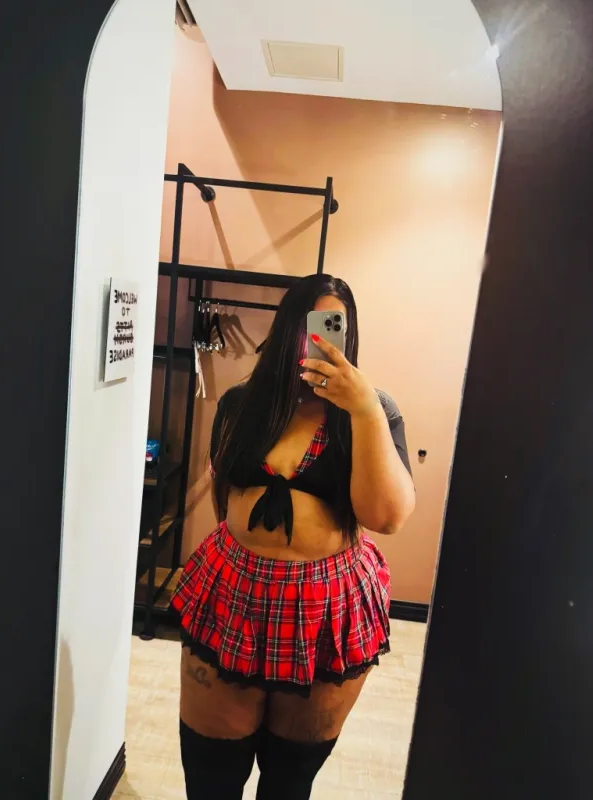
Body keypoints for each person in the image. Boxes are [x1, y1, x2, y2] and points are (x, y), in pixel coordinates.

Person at [171, 274, 416, 799]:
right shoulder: (241, 403)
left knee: (289, 780)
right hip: (233, 592)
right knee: (209, 774)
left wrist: (364, 408)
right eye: (311, 326)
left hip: (324, 608)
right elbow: (224, 495)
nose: (321, 339)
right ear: (287, 330)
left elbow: (388, 517)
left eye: (334, 327)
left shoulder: (374, 411)